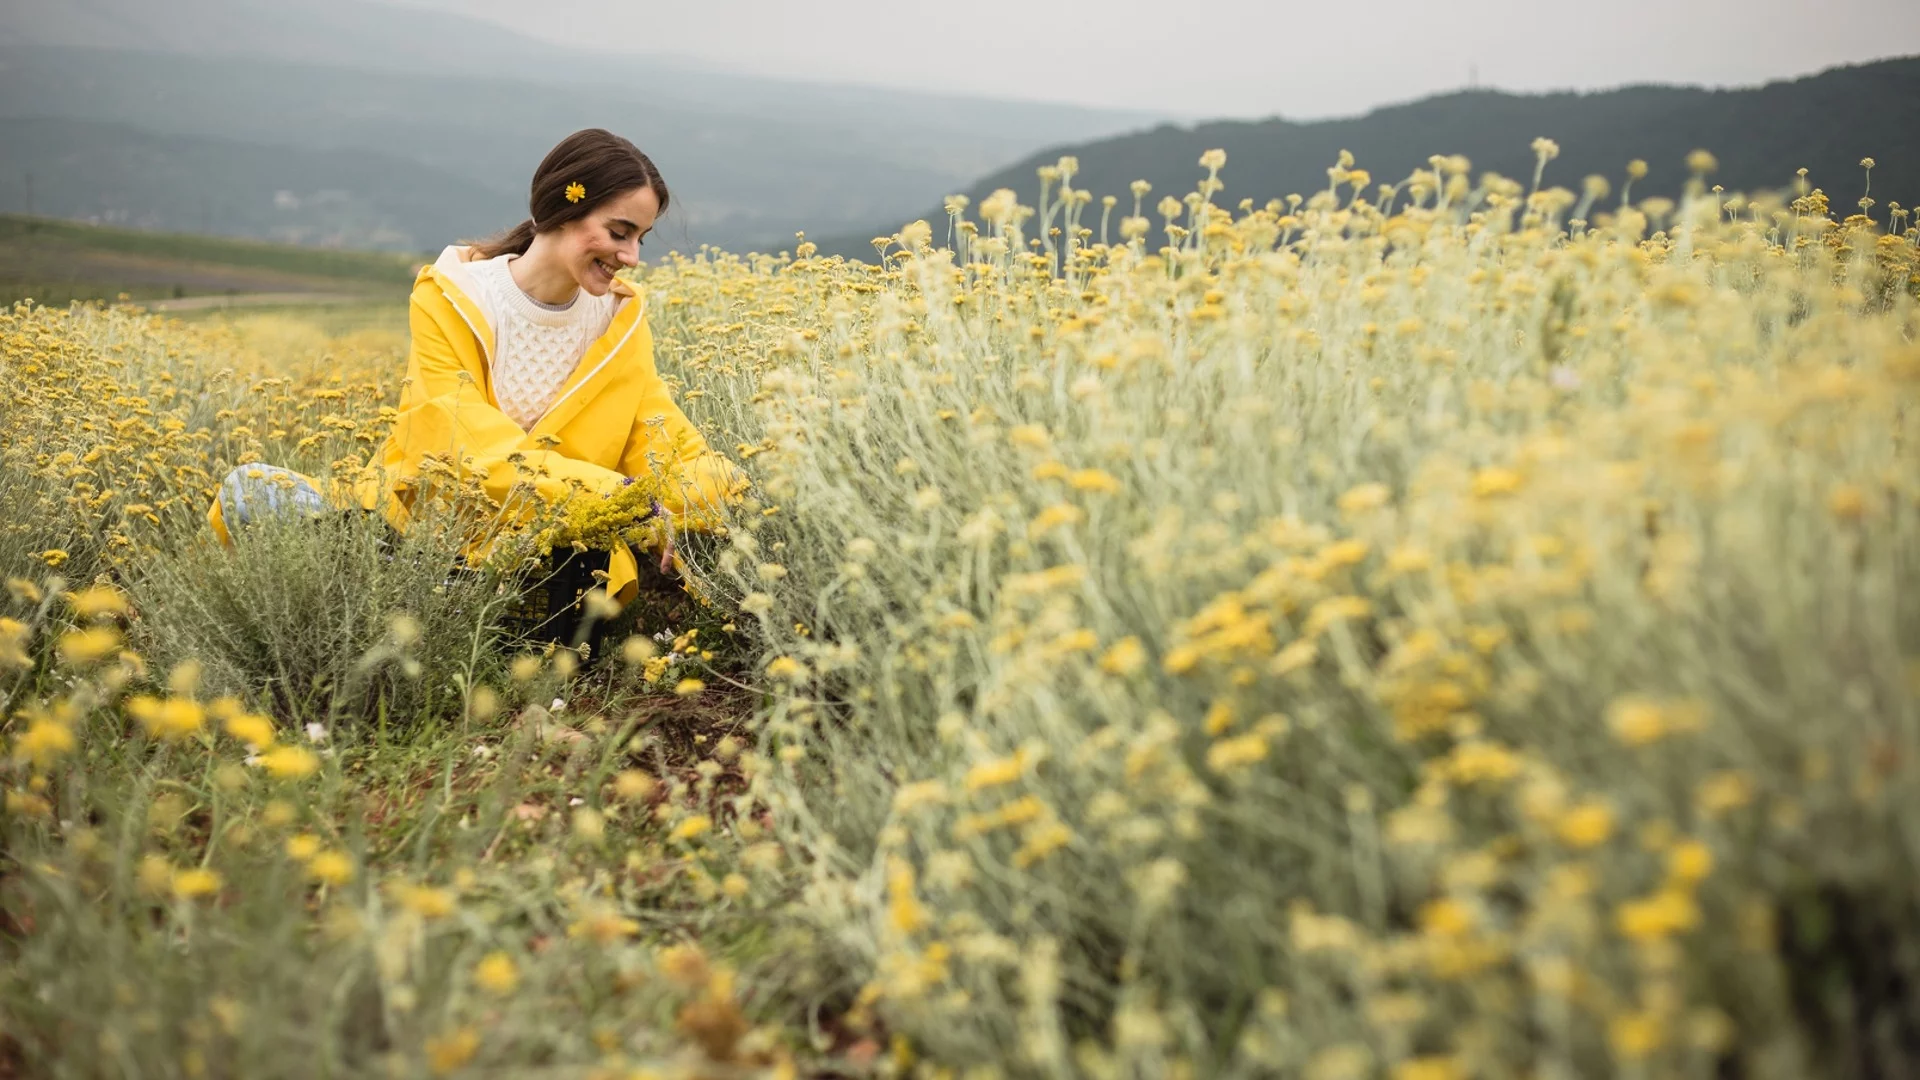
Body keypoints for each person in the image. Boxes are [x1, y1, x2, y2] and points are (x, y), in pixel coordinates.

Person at [209, 129, 748, 605]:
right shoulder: (452, 297)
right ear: (562, 209)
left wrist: (708, 496)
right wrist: (628, 501)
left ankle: (409, 599)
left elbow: (664, 439)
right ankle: (417, 590)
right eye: (619, 231)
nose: (631, 256)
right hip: (421, 533)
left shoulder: (620, 320)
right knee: (248, 486)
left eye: (640, 239)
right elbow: (461, 444)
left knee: (581, 573)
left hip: (551, 551)